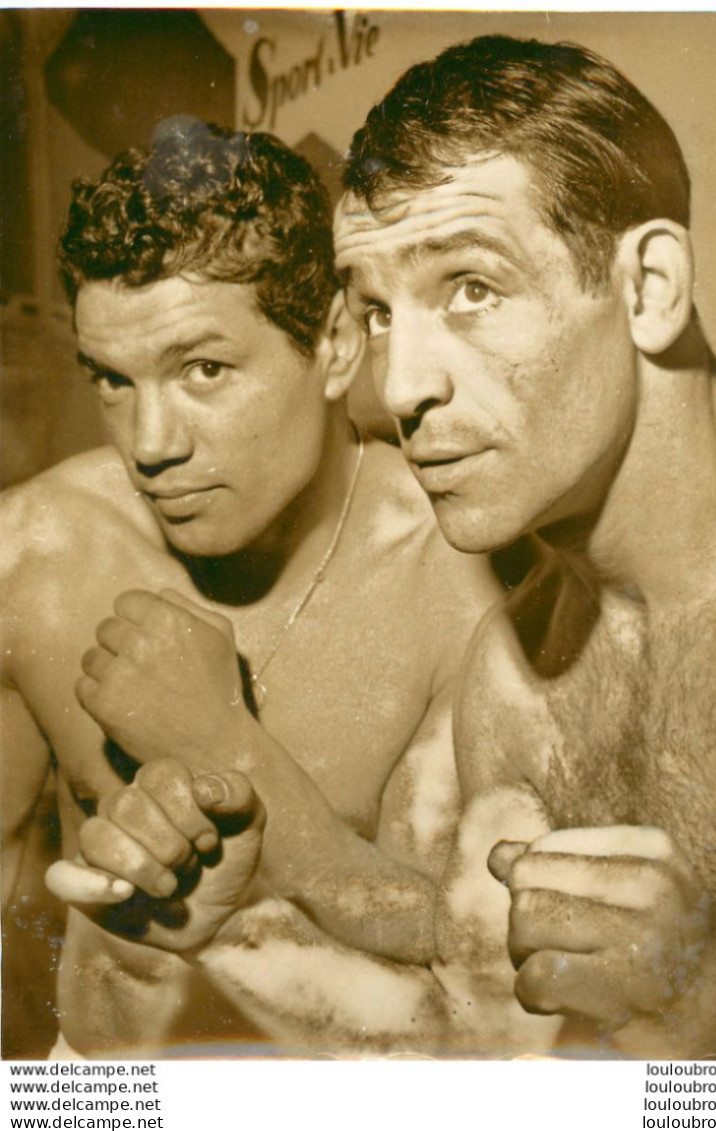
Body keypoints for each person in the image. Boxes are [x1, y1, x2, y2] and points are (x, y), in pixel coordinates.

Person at [63, 35, 716, 1060]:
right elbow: (473, 1035)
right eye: (377, 311)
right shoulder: (514, 683)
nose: (401, 383)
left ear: (647, 287)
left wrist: (715, 1010)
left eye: (470, 287)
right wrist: (234, 930)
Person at [0, 119, 496, 1058]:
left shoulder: (460, 581)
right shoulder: (32, 554)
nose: (149, 443)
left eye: (203, 370)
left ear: (336, 345)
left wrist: (227, 747)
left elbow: (471, 970)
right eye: (111, 379)